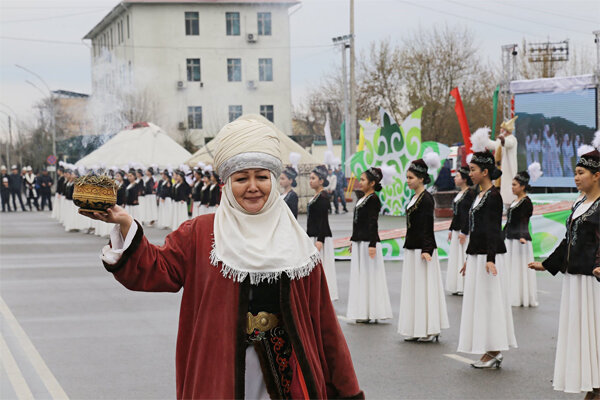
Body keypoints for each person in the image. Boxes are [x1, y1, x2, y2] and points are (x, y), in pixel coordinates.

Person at [81, 115, 364, 399]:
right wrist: (126, 225)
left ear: (274, 181)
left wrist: (347, 391)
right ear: (227, 184)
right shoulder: (201, 234)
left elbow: (326, 327)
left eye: (262, 177)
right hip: (221, 373)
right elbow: (156, 269)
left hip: (291, 377)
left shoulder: (297, 244)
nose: (253, 187)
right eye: (241, 178)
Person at [529, 143, 600, 399]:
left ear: (597, 175)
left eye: (581, 172)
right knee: (580, 334)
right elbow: (567, 240)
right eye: (575, 172)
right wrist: (548, 264)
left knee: (595, 333)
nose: (576, 177)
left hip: (592, 280)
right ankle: (593, 385)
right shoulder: (579, 203)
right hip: (574, 279)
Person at [457, 127, 517, 368]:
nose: (469, 173)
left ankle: (494, 350)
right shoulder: (478, 195)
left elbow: (493, 228)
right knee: (480, 302)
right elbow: (476, 228)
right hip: (478, 255)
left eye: (473, 170)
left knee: (490, 301)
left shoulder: (493, 197)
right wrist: (468, 258)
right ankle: (489, 348)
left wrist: (490, 258)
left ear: (484, 172)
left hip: (489, 257)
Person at [398, 155, 449, 342]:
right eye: (407, 177)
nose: (408, 181)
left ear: (421, 178)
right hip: (412, 248)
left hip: (422, 250)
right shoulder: (414, 197)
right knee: (413, 289)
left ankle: (429, 328)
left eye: (411, 177)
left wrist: (427, 249)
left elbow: (428, 225)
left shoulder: (426, 199)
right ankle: (414, 328)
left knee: (424, 289)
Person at [347, 167, 393, 323]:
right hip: (360, 242)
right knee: (361, 276)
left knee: (370, 277)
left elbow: (373, 223)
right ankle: (363, 311)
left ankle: (373, 311)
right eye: (360, 179)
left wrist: (372, 244)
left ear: (372, 183)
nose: (360, 182)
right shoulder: (362, 198)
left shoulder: (373, 199)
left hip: (368, 243)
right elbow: (357, 223)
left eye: (363, 180)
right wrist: (353, 240)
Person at [504, 170, 538, 307]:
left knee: (520, 268)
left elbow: (525, 220)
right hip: (511, 239)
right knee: (511, 267)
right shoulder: (514, 201)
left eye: (514, 185)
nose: (512, 187)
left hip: (520, 240)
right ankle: (511, 294)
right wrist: (501, 235)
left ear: (522, 186)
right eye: (511, 184)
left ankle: (521, 296)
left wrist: (523, 236)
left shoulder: (526, 202)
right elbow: (509, 222)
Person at [307, 165, 338, 300]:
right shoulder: (316, 196)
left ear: (321, 180)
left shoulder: (323, 197)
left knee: (323, 267)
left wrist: (320, 240)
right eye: (310, 178)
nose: (310, 181)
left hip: (321, 237)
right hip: (313, 235)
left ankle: (326, 295)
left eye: (313, 178)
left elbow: (323, 220)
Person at [446, 165, 476, 295]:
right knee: (456, 257)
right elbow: (456, 214)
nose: (455, 178)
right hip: (457, 230)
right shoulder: (459, 194)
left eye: (457, 176)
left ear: (464, 179)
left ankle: (465, 285)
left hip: (465, 231)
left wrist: (465, 231)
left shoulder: (470, 194)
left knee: (463, 256)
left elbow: (469, 214)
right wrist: (451, 229)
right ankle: (456, 285)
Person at [488, 116, 518, 205]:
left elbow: (508, 144)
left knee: (508, 187)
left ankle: (510, 204)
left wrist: (503, 140)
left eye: (502, 129)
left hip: (507, 169)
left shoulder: (512, 139)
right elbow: (494, 145)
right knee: (499, 187)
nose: (501, 130)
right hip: (499, 168)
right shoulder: (501, 140)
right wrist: (484, 140)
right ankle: (503, 205)